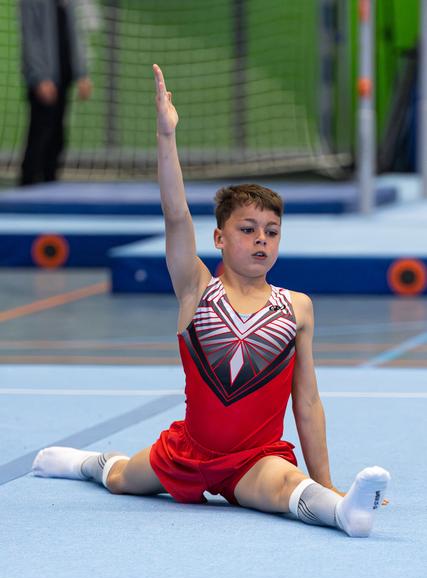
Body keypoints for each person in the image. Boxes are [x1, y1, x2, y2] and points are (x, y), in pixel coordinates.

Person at [32, 64, 390, 537]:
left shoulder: (296, 307)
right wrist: (166, 136)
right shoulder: (197, 289)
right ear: (219, 238)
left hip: (253, 459)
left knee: (286, 487)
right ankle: (86, 463)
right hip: (188, 451)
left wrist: (329, 483)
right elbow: (176, 214)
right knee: (122, 480)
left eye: (271, 232)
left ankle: (341, 511)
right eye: (247, 230)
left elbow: (306, 401)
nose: (261, 240)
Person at [18, 0, 92, 186]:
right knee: (40, 133)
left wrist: (81, 73)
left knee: (58, 135)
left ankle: (50, 183)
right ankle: (28, 185)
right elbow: (30, 37)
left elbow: (75, 34)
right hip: (45, 78)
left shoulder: (68, 4)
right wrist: (40, 77)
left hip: (63, 76)